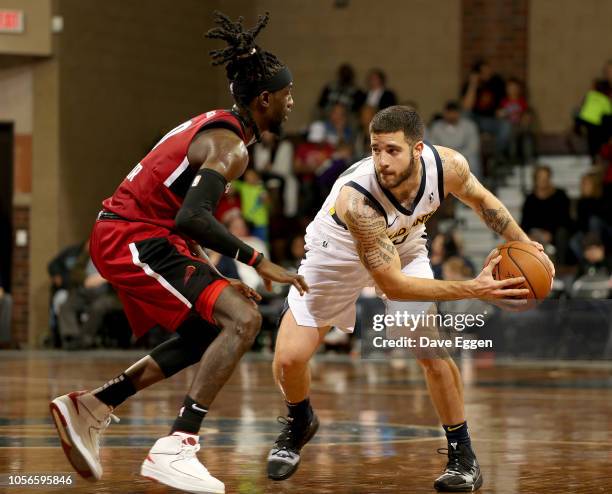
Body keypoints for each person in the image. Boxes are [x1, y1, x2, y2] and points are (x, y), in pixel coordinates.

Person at [49, 11, 307, 494]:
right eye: (288, 95)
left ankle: (94, 406)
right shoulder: (232, 147)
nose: (292, 103)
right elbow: (191, 217)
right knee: (244, 322)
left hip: (143, 234)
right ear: (265, 98)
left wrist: (216, 275)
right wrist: (256, 261)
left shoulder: (219, 127)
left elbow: (179, 214)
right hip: (131, 237)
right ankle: (177, 445)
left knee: (213, 327)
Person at [265, 106, 554, 492]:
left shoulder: (447, 165)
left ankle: (461, 454)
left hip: (403, 247)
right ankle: (300, 419)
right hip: (334, 254)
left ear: (418, 148)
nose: (381, 160)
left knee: (429, 349)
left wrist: (523, 244)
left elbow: (486, 204)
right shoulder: (358, 201)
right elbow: (395, 286)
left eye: (392, 150)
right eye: (375, 149)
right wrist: (474, 287)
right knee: (289, 359)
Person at [428, 101, 481, 178]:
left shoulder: (470, 126)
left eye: (454, 113)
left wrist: (457, 156)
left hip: (464, 155)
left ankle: (475, 186)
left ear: (459, 113)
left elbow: (473, 147)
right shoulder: (436, 127)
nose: (452, 116)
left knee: (473, 160)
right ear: (444, 113)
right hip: (443, 156)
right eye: (449, 113)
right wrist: (446, 156)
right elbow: (432, 145)